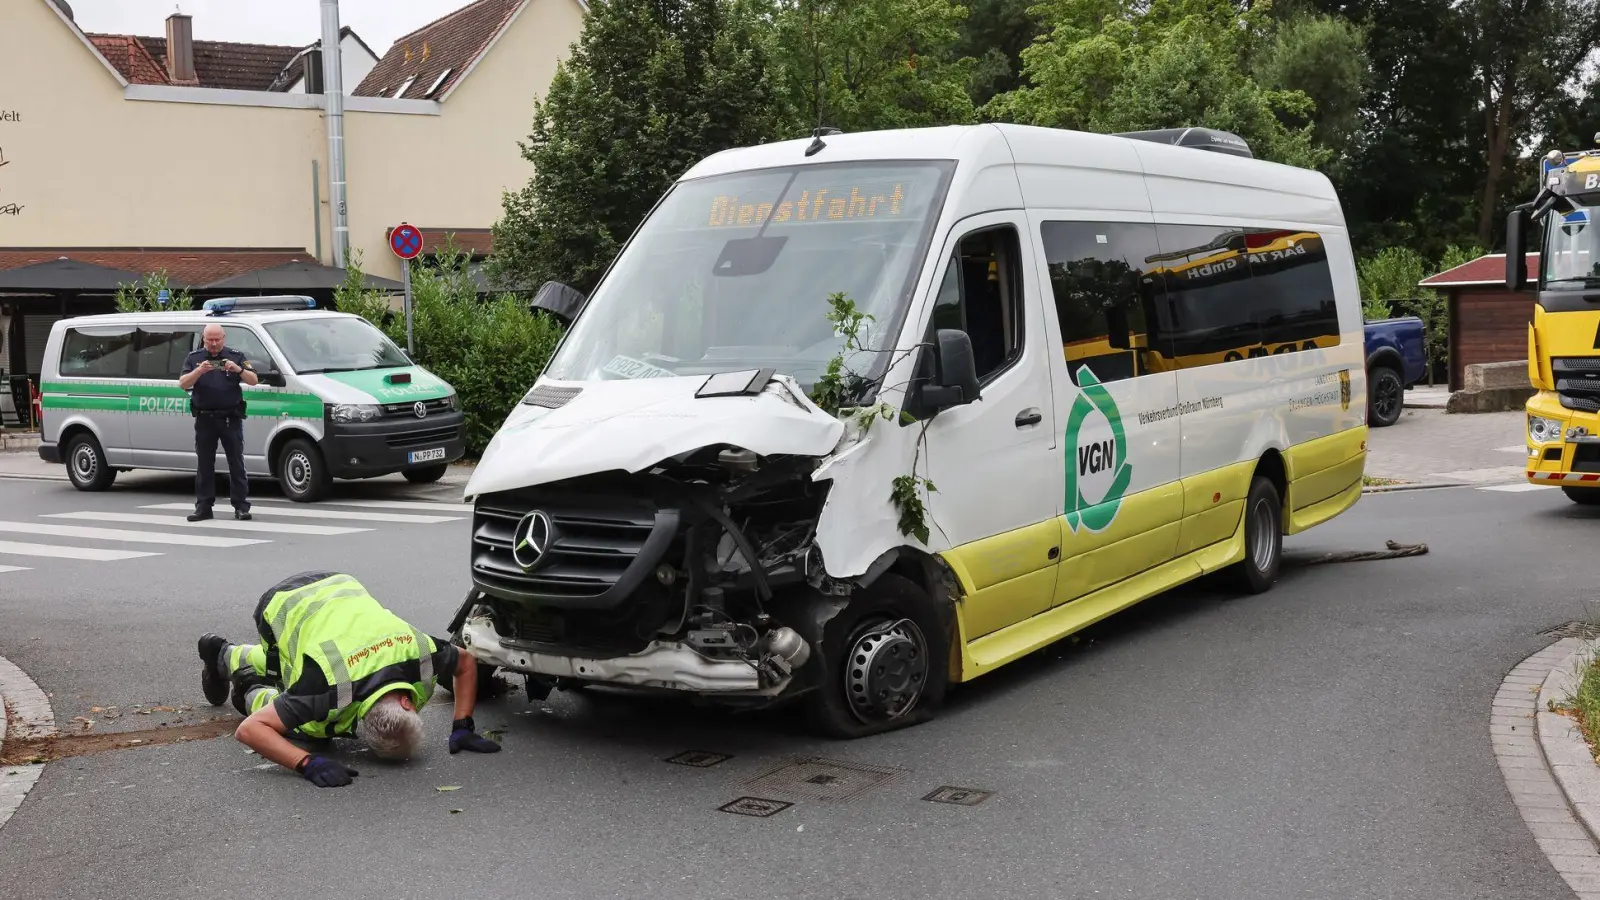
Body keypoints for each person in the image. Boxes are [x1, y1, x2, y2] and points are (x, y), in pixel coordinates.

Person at [196, 571, 502, 788]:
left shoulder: (419, 651)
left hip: (339, 585)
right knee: (313, 731)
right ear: (407, 702)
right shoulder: (327, 686)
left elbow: (465, 661)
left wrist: (463, 725)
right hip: (282, 607)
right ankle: (247, 688)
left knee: (301, 671)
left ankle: (224, 653)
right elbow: (251, 731)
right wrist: (306, 763)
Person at [177, 324, 256, 521]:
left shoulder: (236, 355)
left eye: (217, 339)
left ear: (224, 338)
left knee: (236, 462)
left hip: (230, 418)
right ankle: (203, 506)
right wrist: (199, 372)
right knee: (204, 464)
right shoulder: (194, 358)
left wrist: (238, 370)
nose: (213, 344)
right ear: (203, 339)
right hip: (205, 418)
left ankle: (241, 506)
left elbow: (253, 379)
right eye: (209, 340)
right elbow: (183, 384)